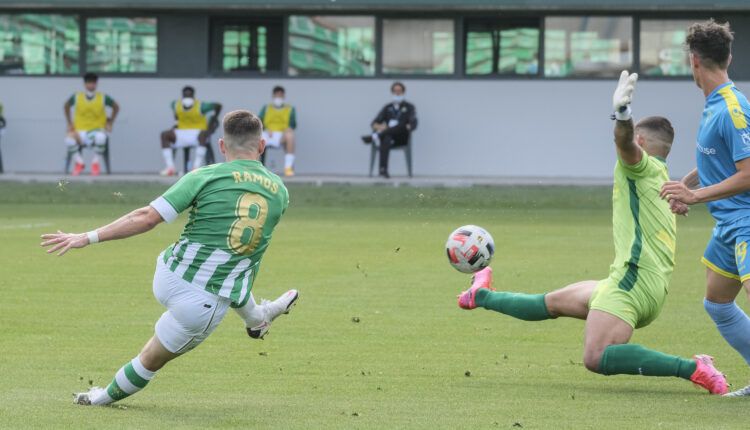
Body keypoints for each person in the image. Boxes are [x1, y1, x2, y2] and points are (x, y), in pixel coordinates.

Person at [457, 71, 728, 395]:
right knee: (552, 303)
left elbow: (623, 141)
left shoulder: (639, 166)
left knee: (596, 357)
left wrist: (623, 115)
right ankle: (480, 295)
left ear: (641, 143)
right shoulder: (662, 176)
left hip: (634, 282)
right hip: (638, 280)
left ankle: (695, 369)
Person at [41, 110, 299, 406]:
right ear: (262, 146)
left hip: (169, 273)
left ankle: (257, 318)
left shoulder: (204, 175)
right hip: (201, 304)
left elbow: (148, 217)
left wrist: (87, 237)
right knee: (150, 358)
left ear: (222, 146)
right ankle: (99, 398)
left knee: (227, 264)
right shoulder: (280, 191)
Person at [660, 20, 750, 397]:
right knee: (717, 301)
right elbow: (720, 157)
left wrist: (696, 196)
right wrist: (689, 185)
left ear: (694, 61)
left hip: (746, 223)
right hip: (727, 224)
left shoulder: (732, 107)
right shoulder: (715, 104)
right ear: (727, 57)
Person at [63, 73, 119, 176]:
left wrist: (110, 122)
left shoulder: (103, 97)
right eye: (89, 83)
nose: (91, 85)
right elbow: (66, 106)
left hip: (96, 131)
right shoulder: (77, 97)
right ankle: (80, 163)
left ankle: (95, 163)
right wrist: (69, 123)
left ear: (96, 84)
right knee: (68, 139)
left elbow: (116, 106)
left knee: (102, 137)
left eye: (93, 83)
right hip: (79, 132)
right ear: (85, 84)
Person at [159, 86, 222, 176]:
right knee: (164, 134)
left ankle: (196, 167)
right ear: (182, 95)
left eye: (189, 95)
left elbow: (218, 105)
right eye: (185, 95)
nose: (187, 97)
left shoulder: (201, 106)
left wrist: (214, 117)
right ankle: (170, 167)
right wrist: (176, 123)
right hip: (181, 132)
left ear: (193, 95)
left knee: (204, 134)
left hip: (197, 133)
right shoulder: (175, 104)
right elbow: (176, 114)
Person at [361, 82, 417, 179]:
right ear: (392, 92)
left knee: (402, 125)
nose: (397, 93)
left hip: (401, 137)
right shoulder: (387, 108)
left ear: (403, 92)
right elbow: (374, 124)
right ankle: (383, 170)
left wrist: (407, 126)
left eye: (399, 91)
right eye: (395, 91)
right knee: (386, 137)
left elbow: (413, 123)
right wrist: (382, 128)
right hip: (388, 136)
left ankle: (374, 137)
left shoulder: (409, 107)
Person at [258, 86, 297, 177]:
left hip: (281, 135)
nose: (278, 98)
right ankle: (257, 167)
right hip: (267, 133)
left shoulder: (290, 109)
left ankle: (288, 168)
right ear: (273, 96)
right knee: (255, 137)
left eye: (281, 96)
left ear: (284, 96)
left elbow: (293, 125)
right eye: (277, 95)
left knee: (290, 135)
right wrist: (266, 129)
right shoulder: (266, 108)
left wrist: (289, 128)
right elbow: (258, 121)